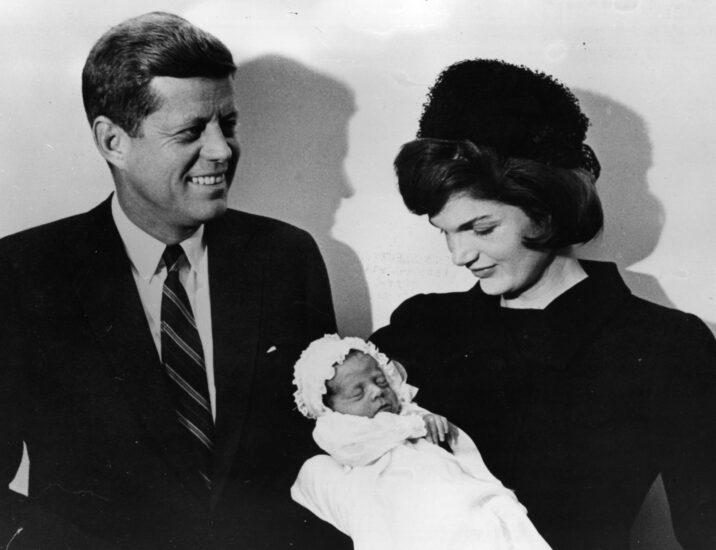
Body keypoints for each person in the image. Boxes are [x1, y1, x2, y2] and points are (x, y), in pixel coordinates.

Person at [0, 12, 349, 550]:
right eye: (191, 131)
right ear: (113, 141)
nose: (221, 150)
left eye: (227, 124)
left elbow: (330, 443)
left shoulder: (287, 257)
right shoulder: (21, 274)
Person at [370, 59, 716, 549]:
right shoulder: (420, 326)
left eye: (481, 228)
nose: (459, 255)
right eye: (445, 232)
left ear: (546, 209)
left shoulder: (665, 347)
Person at [290, 334, 551, 550]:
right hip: (392, 490)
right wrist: (412, 426)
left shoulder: (405, 411)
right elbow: (353, 447)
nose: (377, 391)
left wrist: (429, 420)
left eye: (381, 381)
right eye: (358, 393)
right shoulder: (336, 428)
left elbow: (438, 434)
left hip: (441, 480)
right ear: (328, 408)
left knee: (474, 511)